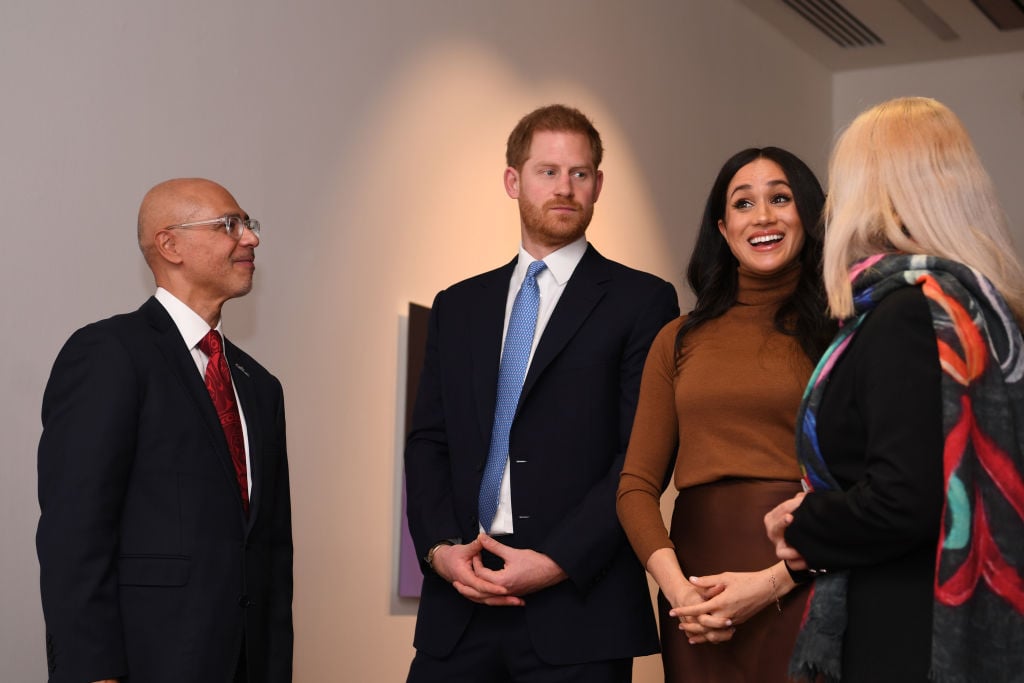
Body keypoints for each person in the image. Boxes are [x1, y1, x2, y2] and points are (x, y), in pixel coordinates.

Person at [403, 104, 679, 682]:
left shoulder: (642, 301)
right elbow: (428, 440)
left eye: (580, 174)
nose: (564, 188)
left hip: (579, 611)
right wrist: (438, 552)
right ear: (513, 180)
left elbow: (638, 456)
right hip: (460, 606)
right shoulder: (458, 306)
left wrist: (556, 561)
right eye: (547, 171)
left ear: (598, 185)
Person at [765, 97, 1024, 682]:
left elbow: (904, 500)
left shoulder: (904, 315)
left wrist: (805, 521)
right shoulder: (974, 308)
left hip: (905, 627)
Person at [36, 178, 293, 683]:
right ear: (169, 244)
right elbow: (74, 535)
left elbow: (271, 553)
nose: (251, 239)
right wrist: (93, 672)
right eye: (230, 225)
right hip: (147, 662)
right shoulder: (110, 354)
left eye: (248, 225)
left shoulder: (260, 385)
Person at [617, 147, 835, 681]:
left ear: (809, 214)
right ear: (722, 225)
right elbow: (635, 488)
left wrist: (776, 580)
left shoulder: (843, 331)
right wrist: (680, 593)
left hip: (803, 577)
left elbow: (868, 478)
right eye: (744, 203)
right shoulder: (678, 338)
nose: (763, 216)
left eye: (780, 198)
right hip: (696, 594)